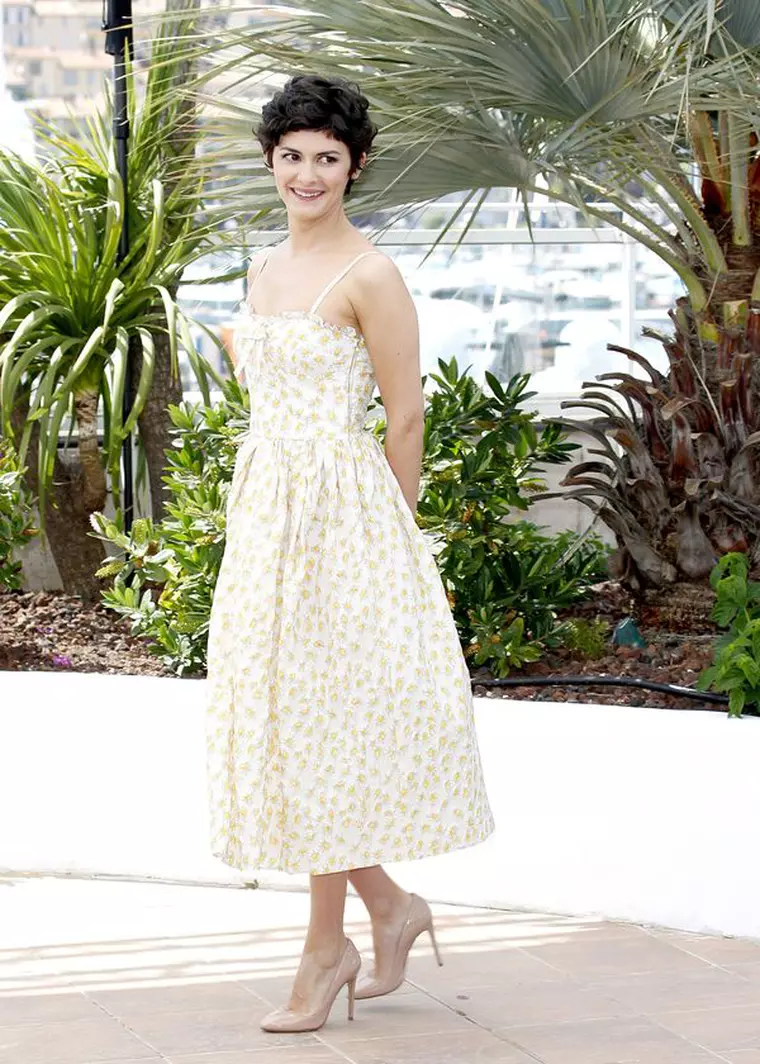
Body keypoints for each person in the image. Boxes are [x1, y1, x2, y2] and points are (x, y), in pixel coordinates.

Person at [204, 73, 494, 1035]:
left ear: (355, 166)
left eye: (327, 157)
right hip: (268, 518)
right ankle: (389, 907)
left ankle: (324, 951)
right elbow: (269, 386)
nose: (307, 173)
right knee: (286, 726)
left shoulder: (372, 275)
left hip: (348, 523)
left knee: (322, 726)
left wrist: (394, 541)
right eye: (291, 156)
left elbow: (405, 416)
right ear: (271, 162)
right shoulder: (261, 268)